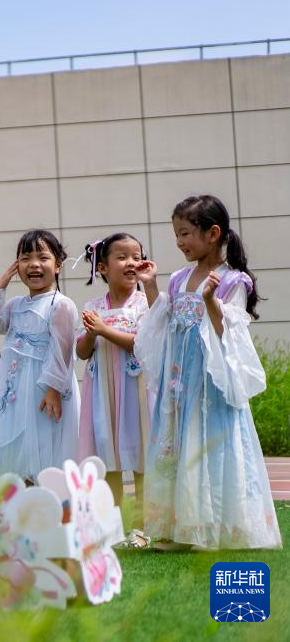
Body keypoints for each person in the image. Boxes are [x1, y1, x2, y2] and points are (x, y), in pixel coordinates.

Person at [134, 195, 281, 550]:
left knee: (208, 444)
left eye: (185, 233)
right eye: (176, 235)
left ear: (213, 234)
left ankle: (210, 528)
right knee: (179, 446)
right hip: (180, 383)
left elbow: (229, 335)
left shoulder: (233, 281)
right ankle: (178, 528)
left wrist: (211, 301)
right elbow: (164, 324)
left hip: (210, 386)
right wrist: (151, 285)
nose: (179, 242)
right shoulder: (179, 279)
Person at [0, 230, 80, 482]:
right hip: (12, 390)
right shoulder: (15, 305)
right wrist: (1, 284)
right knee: (12, 449)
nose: (34, 264)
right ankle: (17, 500)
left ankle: (44, 499)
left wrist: (54, 388)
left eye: (43, 257)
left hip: (43, 390)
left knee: (43, 448)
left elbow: (62, 350)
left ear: (58, 265)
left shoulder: (61, 304)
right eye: (25, 258)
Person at [74, 232, 150, 547]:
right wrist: (92, 334)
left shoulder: (145, 303)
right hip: (103, 393)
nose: (131, 263)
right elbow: (81, 351)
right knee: (109, 458)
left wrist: (104, 329)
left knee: (142, 456)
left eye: (137, 256)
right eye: (122, 257)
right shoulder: (93, 306)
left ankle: (141, 527)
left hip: (137, 391)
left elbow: (141, 343)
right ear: (102, 267)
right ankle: (114, 527)